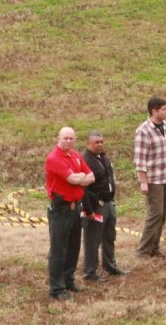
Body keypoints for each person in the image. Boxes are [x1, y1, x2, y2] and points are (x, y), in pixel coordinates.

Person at [45, 126, 95, 301]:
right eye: (65, 138)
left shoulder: (75, 155)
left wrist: (79, 177)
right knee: (59, 249)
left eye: (71, 138)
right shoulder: (54, 158)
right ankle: (56, 288)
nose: (69, 141)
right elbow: (72, 179)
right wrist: (81, 178)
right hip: (61, 209)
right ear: (58, 139)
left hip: (76, 208)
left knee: (74, 246)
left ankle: (68, 280)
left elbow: (92, 176)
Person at [134, 96, 166, 258]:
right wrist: (143, 182)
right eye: (164, 109)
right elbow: (140, 160)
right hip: (153, 179)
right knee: (155, 214)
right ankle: (143, 250)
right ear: (154, 111)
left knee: (163, 214)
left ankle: (154, 247)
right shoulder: (143, 131)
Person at [81, 131, 128, 281]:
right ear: (88, 144)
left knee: (109, 236)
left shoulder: (104, 158)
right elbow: (84, 189)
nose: (100, 144)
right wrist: (88, 210)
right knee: (92, 240)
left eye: (101, 141)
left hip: (109, 203)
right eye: (96, 142)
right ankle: (90, 272)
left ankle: (110, 265)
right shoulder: (85, 161)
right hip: (96, 206)